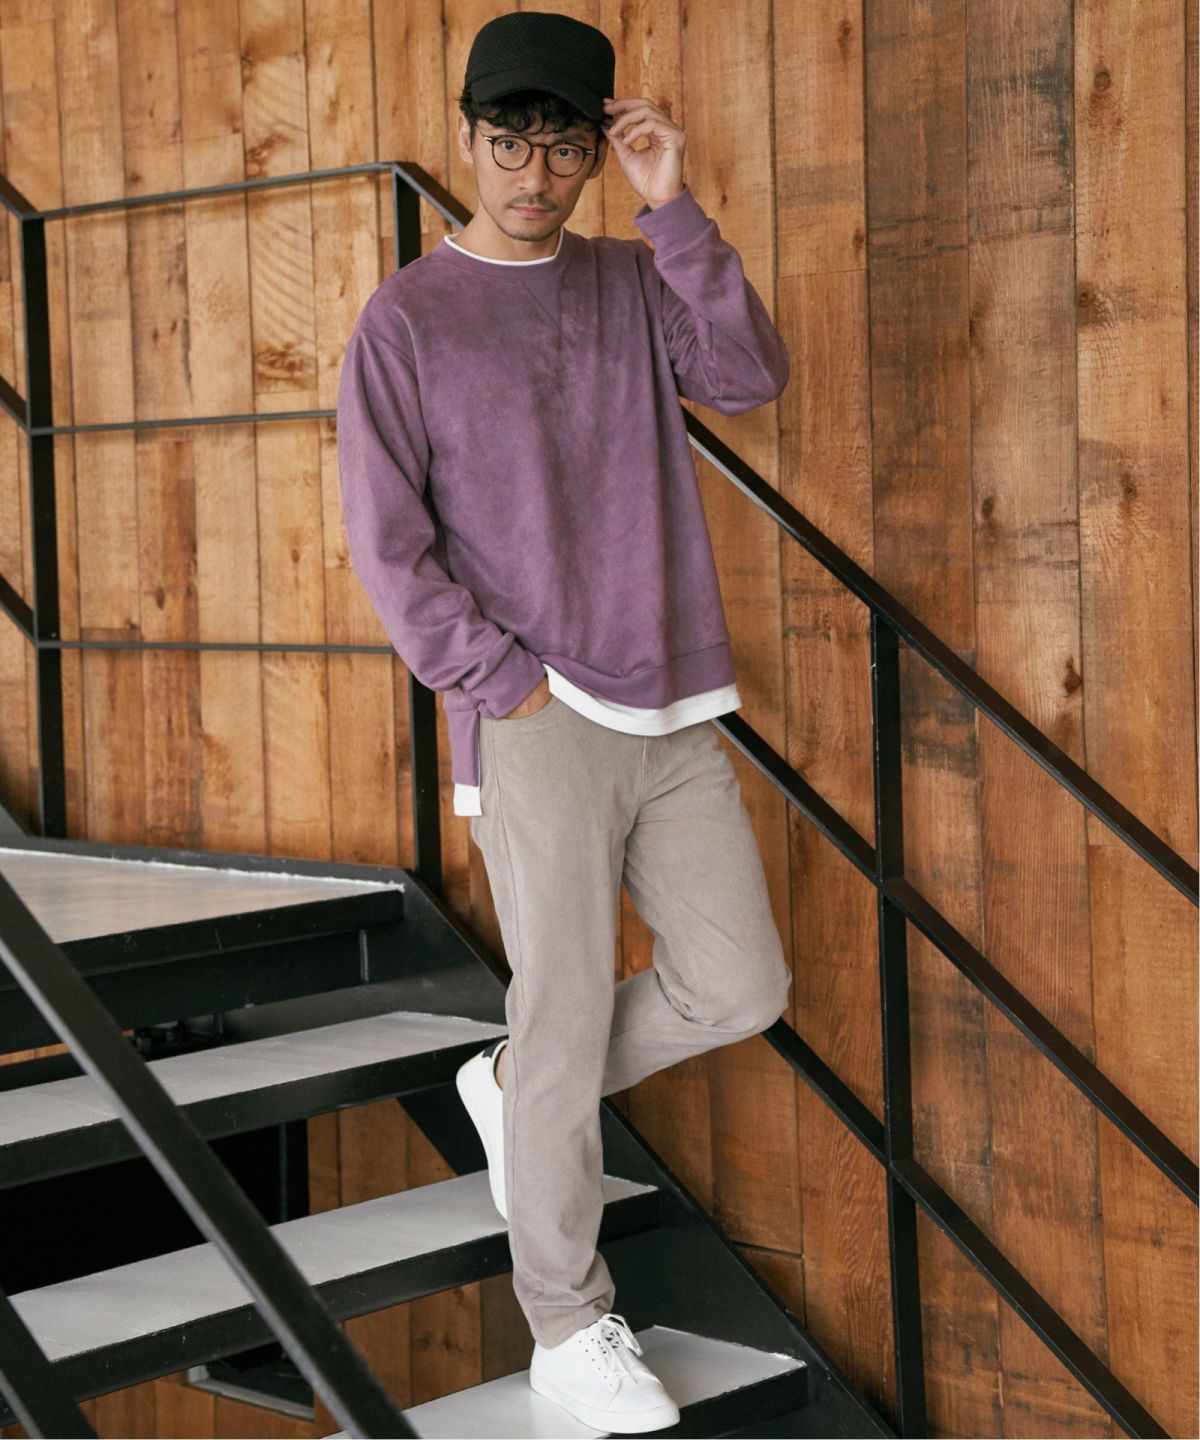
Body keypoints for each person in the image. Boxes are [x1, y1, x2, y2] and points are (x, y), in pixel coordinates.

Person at [335, 10, 793, 1432]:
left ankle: (515, 1077)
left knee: (740, 988)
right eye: (510, 142)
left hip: (673, 698)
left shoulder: (631, 274)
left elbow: (748, 375)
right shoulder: (408, 319)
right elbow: (388, 542)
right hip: (535, 711)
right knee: (564, 1006)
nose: (536, 173)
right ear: (470, 137)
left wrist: (674, 207)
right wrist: (498, 680)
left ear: (598, 150)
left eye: (566, 147)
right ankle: (567, 1325)